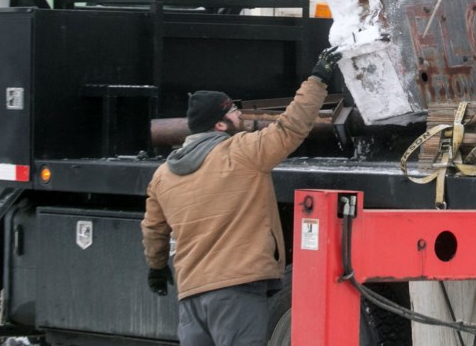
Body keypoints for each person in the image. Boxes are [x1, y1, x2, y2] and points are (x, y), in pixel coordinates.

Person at [141, 47, 342, 345]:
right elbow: (292, 126)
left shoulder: (163, 175)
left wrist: (156, 269)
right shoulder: (242, 153)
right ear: (220, 124)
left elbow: (154, 229)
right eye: (233, 111)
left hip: (192, 296)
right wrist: (317, 79)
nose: (241, 114)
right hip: (236, 292)